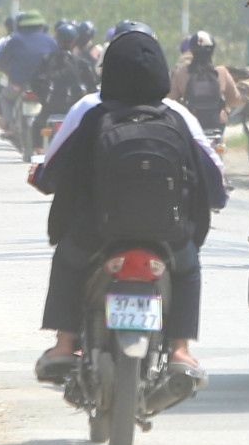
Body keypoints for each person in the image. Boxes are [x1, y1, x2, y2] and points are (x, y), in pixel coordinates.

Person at [29, 25, 225, 385]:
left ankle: (64, 344)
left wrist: (42, 179)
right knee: (187, 270)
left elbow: (54, 171)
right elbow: (211, 175)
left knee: (68, 260)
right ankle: (180, 349)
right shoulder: (178, 118)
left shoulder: (92, 112)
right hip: (168, 233)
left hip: (97, 232)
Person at [170, 30, 243, 137]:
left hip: (191, 123)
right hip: (217, 124)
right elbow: (235, 100)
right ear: (212, 50)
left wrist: (185, 108)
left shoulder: (181, 73)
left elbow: (171, 100)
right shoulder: (222, 72)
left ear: (192, 51)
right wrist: (224, 106)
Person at [0, 12, 56, 135]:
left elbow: (2, 62)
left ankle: (10, 126)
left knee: (5, 97)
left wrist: (11, 76)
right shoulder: (51, 41)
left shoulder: (14, 40)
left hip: (19, 85)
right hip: (44, 87)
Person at [31, 20, 100, 122]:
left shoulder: (47, 60)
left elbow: (35, 82)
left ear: (57, 39)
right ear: (74, 41)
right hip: (75, 109)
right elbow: (92, 87)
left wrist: (44, 99)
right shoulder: (82, 63)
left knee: (36, 126)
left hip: (50, 108)